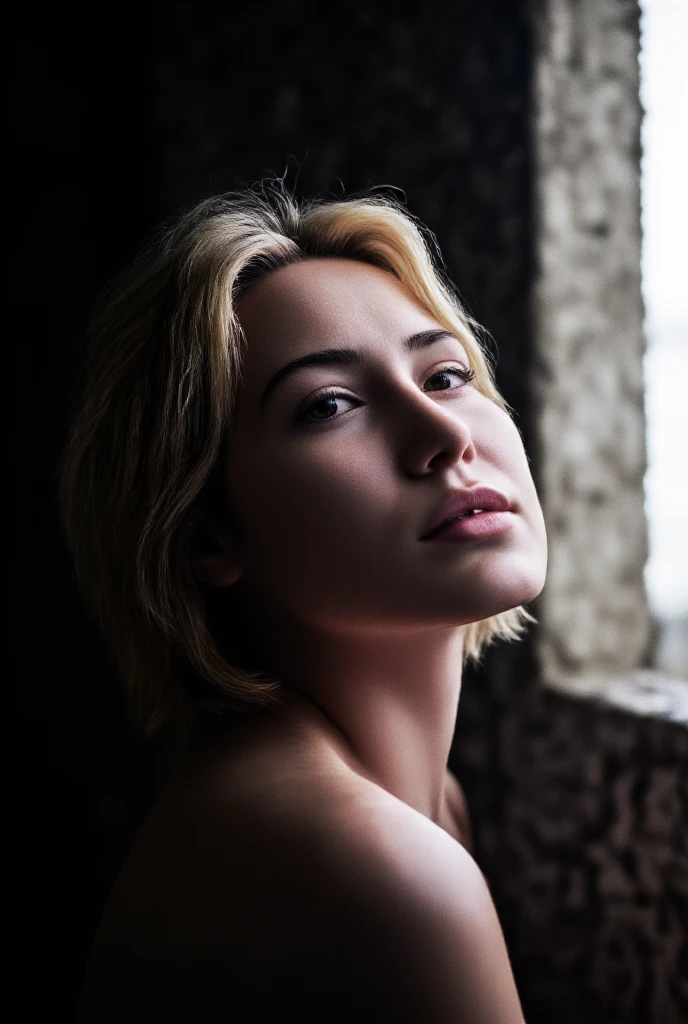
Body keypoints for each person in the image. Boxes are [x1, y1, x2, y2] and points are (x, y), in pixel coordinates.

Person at [60, 181, 547, 1022]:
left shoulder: (417, 807)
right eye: (329, 405)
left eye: (447, 373)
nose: (445, 435)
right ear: (209, 534)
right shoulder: (372, 864)